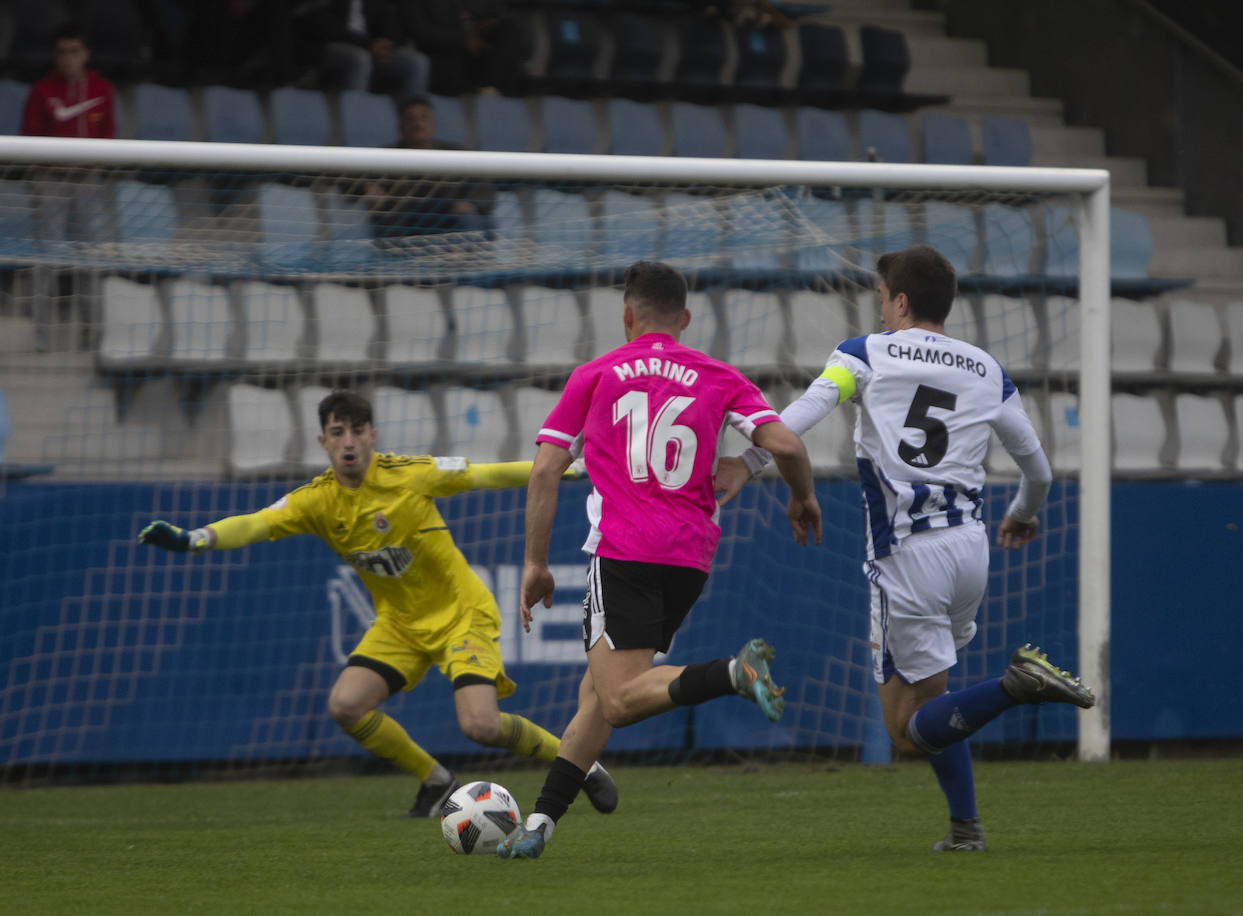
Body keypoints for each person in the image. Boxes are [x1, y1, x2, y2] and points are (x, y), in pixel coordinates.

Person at [716, 245, 1096, 852]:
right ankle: (966, 829)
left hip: (906, 556)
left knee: (905, 729)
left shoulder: (865, 353)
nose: (882, 312)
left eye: (882, 300)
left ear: (900, 300)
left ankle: (1015, 686)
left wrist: (753, 458)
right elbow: (1040, 471)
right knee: (936, 701)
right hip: (971, 549)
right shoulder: (985, 370)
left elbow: (805, 413)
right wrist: (1023, 515)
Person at [138, 389, 618, 818]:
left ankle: (581, 764)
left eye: (356, 430)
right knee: (345, 706)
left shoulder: (410, 475)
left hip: (460, 616)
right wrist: (193, 539)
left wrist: (563, 468)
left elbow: (482, 475)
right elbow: (256, 523)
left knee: (481, 725)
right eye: (336, 432)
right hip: (399, 625)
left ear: (373, 435)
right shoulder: (317, 501)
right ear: (323, 442)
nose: (348, 441)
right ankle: (436, 782)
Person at [497, 260, 823, 859]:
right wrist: (802, 497)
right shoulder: (717, 375)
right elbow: (786, 444)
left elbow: (545, 469)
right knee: (598, 696)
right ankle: (541, 822)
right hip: (689, 558)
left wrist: (535, 563)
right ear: (685, 318)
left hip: (623, 549)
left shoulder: (595, 375)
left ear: (627, 315)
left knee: (619, 700)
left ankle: (732, 673)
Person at [20, 22, 116, 352]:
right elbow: (28, 144)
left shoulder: (102, 90)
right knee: (46, 258)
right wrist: (64, 163)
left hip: (89, 184)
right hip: (50, 184)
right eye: (62, 52)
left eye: (75, 51)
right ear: (54, 56)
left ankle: (93, 331)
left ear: (86, 54)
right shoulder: (42, 92)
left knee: (90, 258)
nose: (69, 58)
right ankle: (41, 336)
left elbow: (110, 143)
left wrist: (84, 164)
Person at [359, 95, 496, 242]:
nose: (418, 123)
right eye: (410, 119)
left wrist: (471, 203)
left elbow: (484, 186)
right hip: (404, 222)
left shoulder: (456, 153)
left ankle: (469, 263)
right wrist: (366, 187)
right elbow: (346, 176)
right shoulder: (383, 157)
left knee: (473, 220)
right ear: (400, 126)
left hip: (450, 217)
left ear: (433, 123)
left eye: (424, 117)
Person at [294, 0, 430, 98]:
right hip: (328, 46)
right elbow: (322, 24)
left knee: (417, 62)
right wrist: (368, 45)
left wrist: (386, 42)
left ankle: (414, 115)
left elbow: (389, 16)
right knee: (360, 59)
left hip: (372, 48)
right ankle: (356, 117)